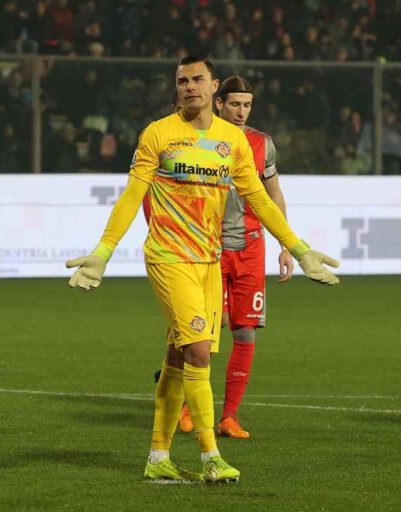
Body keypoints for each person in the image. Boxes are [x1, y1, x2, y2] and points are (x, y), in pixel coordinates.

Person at [66, 56, 340, 484]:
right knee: (197, 350)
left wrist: (298, 248)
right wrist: (103, 251)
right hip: (168, 257)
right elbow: (130, 195)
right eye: (182, 81)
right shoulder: (158, 134)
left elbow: (261, 200)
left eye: (198, 79)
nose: (189, 86)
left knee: (178, 356)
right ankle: (211, 455)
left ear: (215, 87)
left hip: (208, 261)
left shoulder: (233, 140)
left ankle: (158, 458)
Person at [177, 75, 293, 440]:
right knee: (206, 332)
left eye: (247, 105)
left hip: (251, 247)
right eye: (235, 104)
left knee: (245, 333)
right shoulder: (200, 140)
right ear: (219, 103)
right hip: (209, 247)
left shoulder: (262, 144)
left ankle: (229, 417)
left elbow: (274, 196)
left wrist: (285, 245)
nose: (241, 112)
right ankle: (187, 408)